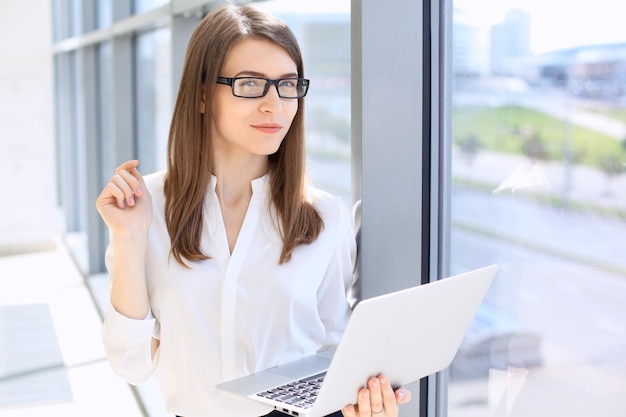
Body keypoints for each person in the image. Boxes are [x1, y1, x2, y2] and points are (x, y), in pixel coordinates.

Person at [96, 4, 411, 417]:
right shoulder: (145, 208)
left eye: (287, 85)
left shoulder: (324, 218)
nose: (274, 105)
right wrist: (128, 238)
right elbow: (132, 365)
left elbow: (334, 352)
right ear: (203, 94)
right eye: (249, 84)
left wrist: (364, 400)